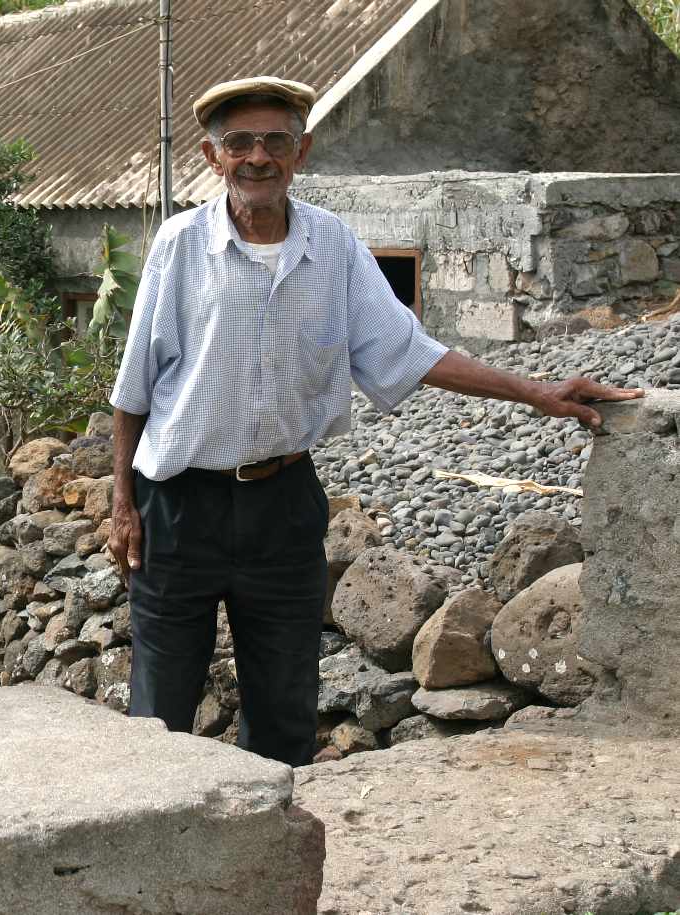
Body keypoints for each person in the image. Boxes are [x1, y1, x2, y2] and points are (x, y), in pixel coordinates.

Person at [106, 76, 642, 767]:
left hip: (282, 502)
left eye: (275, 141)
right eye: (238, 144)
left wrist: (535, 392)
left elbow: (411, 352)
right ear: (213, 159)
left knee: (284, 713)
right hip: (177, 506)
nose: (257, 157)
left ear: (301, 152)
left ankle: (268, 863)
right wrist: (123, 504)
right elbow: (133, 390)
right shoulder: (179, 246)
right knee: (159, 715)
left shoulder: (332, 246)